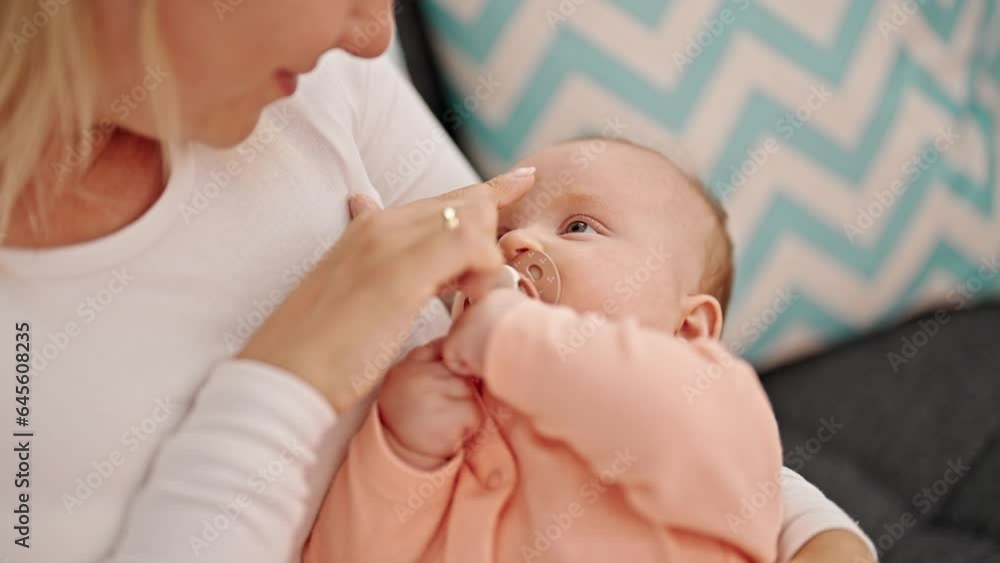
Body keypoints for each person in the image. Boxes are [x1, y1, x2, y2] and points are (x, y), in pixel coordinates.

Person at [0, 1, 874, 562]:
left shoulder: (319, 80)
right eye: (518, 227)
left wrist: (818, 536)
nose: (376, 38)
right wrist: (391, 444)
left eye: (577, 228)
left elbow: (694, 432)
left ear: (696, 331)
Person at [304, 139, 876, 563]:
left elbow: (653, 402)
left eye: (578, 225)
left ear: (689, 331)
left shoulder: (715, 408)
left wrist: (509, 336)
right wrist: (406, 456)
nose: (513, 245)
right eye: (499, 233)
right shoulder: (465, 444)